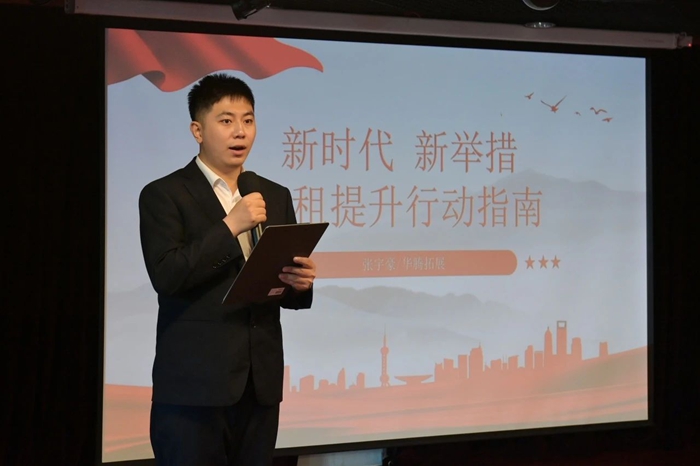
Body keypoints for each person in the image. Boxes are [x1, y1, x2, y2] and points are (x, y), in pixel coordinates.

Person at [138, 73, 316, 466]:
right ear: (197, 130)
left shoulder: (274, 194)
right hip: (193, 389)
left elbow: (277, 287)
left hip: (259, 384)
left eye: (248, 120)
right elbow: (167, 275)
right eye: (226, 121)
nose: (240, 131)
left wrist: (299, 284)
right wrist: (230, 226)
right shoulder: (164, 194)